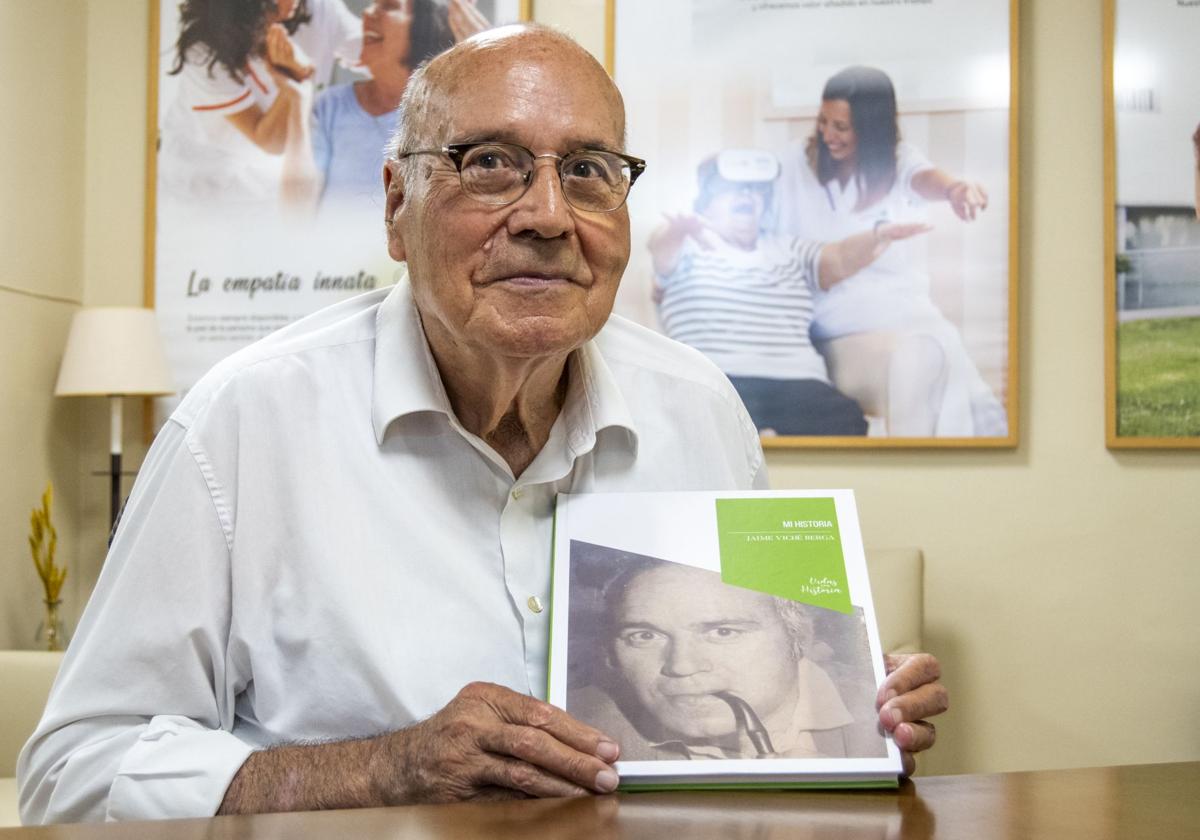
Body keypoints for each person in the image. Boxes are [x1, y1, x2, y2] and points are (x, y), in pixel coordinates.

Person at [18, 26, 947, 823]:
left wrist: (843, 722)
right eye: (490, 164)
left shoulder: (700, 410)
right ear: (395, 205)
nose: (548, 216)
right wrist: (382, 771)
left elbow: (755, 722)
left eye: (587, 172)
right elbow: (72, 771)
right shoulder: (243, 424)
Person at [777, 65, 1006, 437]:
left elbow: (926, 178)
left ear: (870, 130)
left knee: (942, 353)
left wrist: (955, 190)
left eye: (841, 127)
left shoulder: (896, 160)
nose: (827, 135)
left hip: (910, 318)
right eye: (823, 122)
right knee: (928, 359)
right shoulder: (793, 165)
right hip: (839, 326)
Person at [650, 149, 929, 436]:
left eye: (756, 189)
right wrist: (679, 230)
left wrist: (879, 233)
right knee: (698, 423)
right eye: (733, 188)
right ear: (706, 202)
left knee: (846, 421)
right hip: (715, 378)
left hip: (797, 380)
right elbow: (660, 249)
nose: (747, 194)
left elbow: (841, 257)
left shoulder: (788, 248)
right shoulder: (686, 245)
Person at [567, 548, 886, 761]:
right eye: (645, 636)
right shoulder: (579, 731)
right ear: (610, 654)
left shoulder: (879, 723)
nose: (681, 666)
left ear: (798, 637)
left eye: (723, 632)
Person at [291, 0, 492, 210]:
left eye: (388, 6)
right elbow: (297, 207)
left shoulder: (447, 118)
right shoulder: (330, 106)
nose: (368, 13)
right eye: (372, 5)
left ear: (423, 30)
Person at [160, 0, 361, 203]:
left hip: (268, 182)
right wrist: (293, 78)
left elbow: (378, 48)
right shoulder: (204, 52)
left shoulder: (320, 9)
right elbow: (271, 141)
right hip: (198, 184)